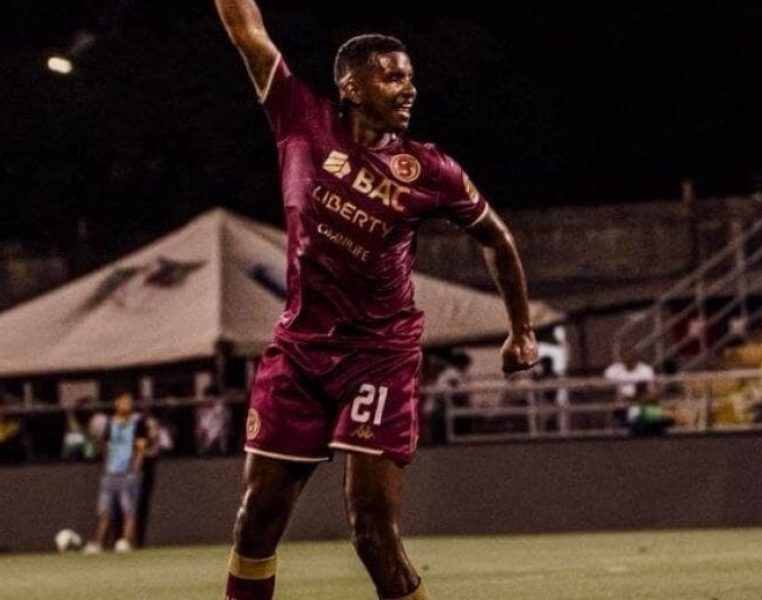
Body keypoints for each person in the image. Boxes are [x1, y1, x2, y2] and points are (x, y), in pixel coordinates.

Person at [213, 2, 539, 598]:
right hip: (299, 351)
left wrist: (521, 329)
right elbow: (248, 32)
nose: (408, 88)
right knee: (253, 522)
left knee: (370, 531)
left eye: (411, 77)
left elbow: (498, 238)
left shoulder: (430, 169)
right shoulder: (299, 119)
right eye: (392, 75)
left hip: (378, 355)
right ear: (351, 86)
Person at [84, 392, 149, 554]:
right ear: (116, 403)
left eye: (129, 401)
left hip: (128, 473)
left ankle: (125, 541)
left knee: (128, 509)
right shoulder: (110, 423)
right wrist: (106, 468)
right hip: (110, 473)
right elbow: (106, 446)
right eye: (123, 401)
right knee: (104, 510)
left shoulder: (138, 422)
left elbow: (141, 448)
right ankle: (98, 543)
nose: (127, 404)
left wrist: (135, 469)